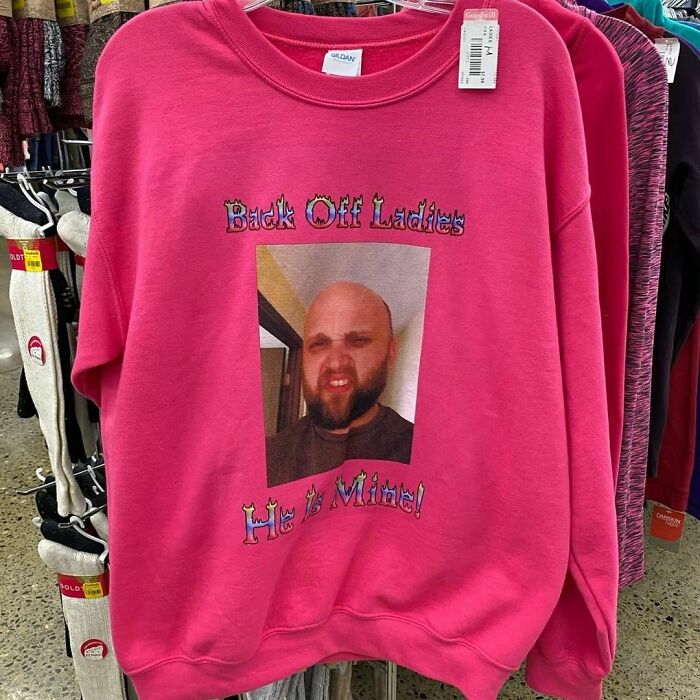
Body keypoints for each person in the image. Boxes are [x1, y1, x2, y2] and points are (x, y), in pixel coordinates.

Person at [266, 281, 414, 487]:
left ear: (390, 353)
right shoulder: (266, 460)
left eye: (358, 341)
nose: (336, 363)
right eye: (319, 344)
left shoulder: (430, 458)